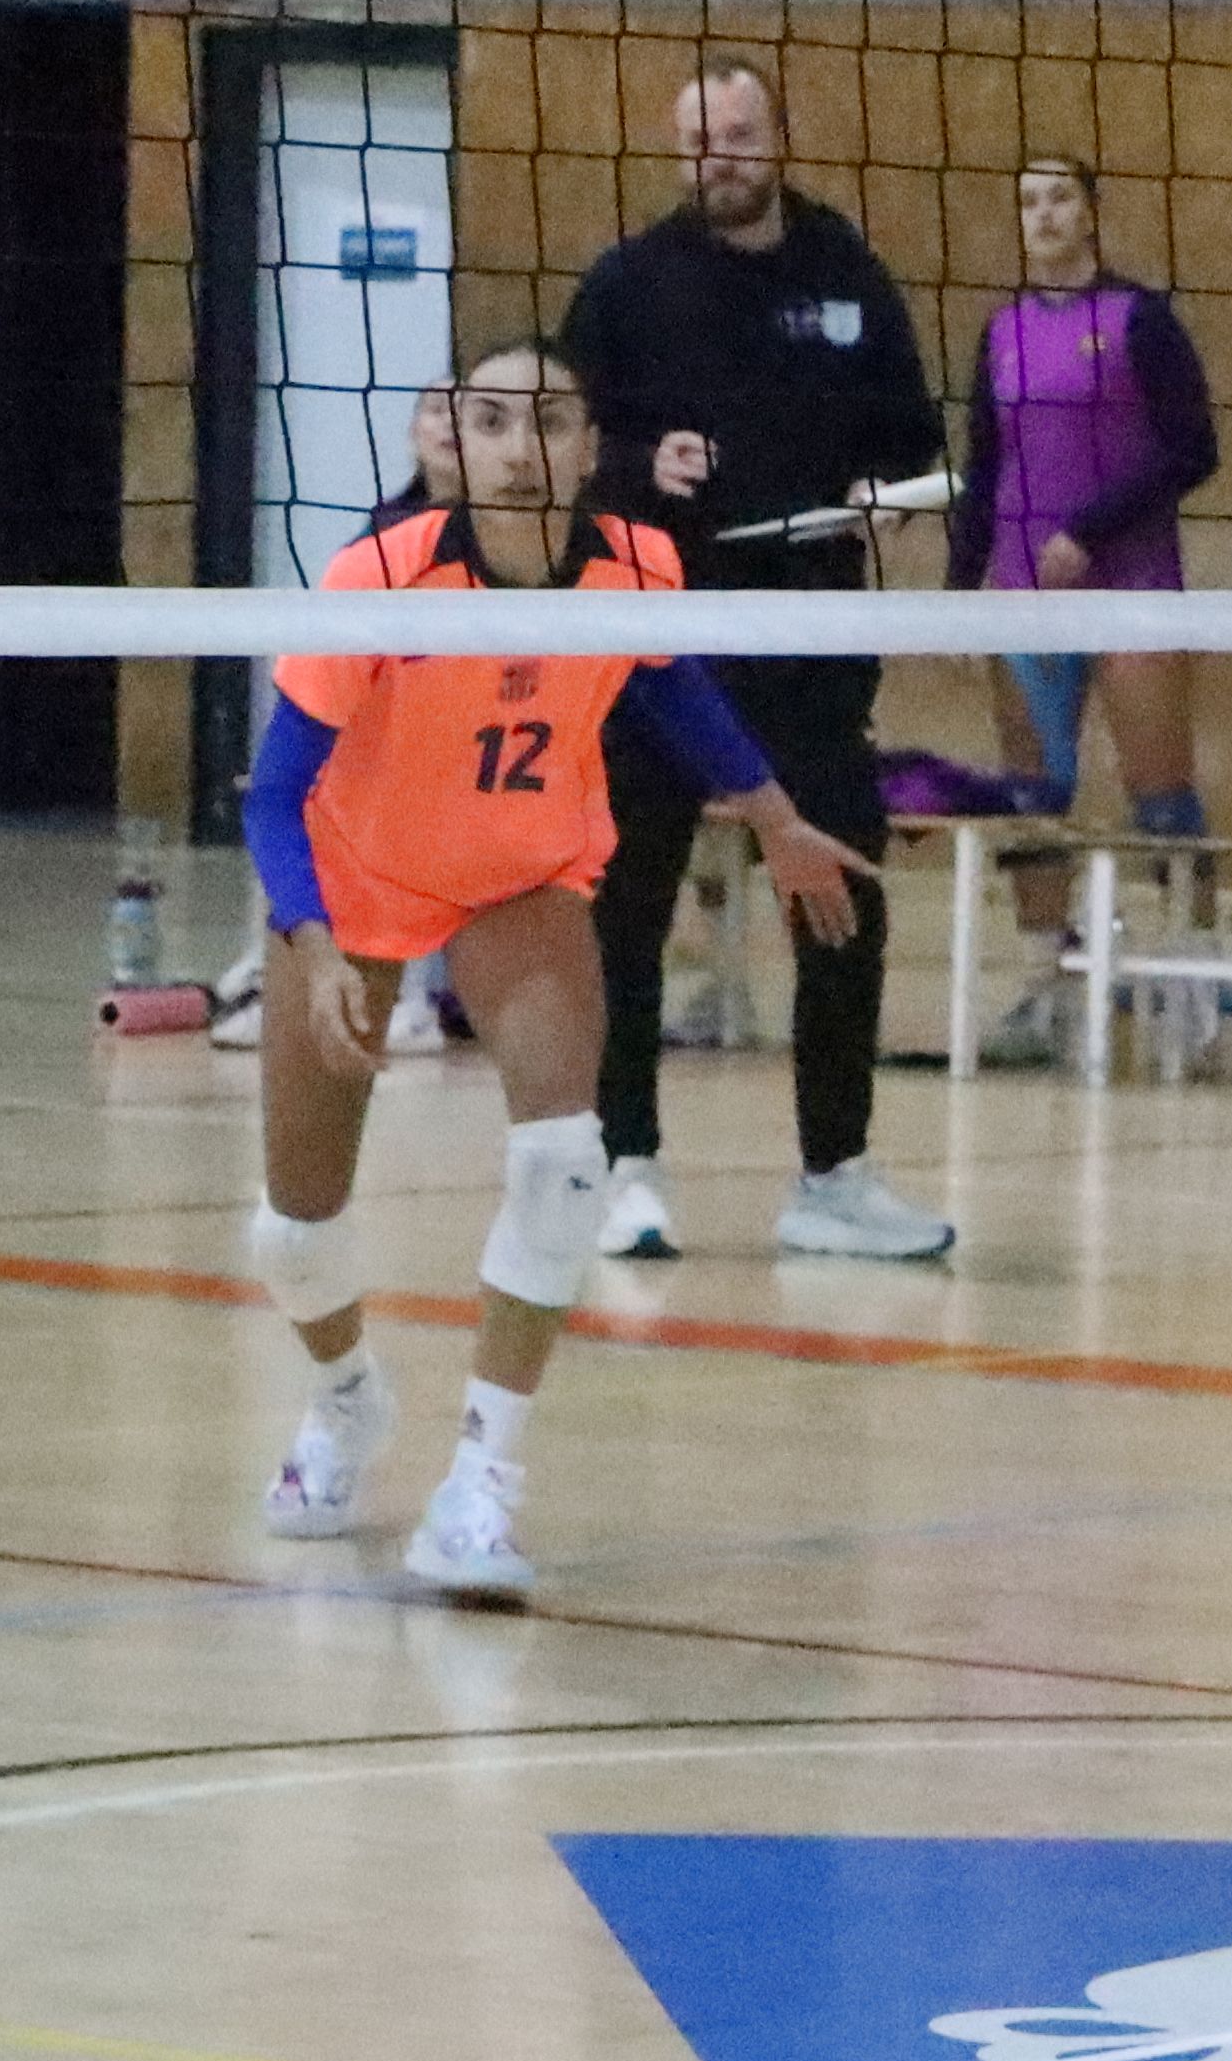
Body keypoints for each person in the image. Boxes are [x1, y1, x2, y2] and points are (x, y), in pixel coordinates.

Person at [240, 343, 867, 1597]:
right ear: (453, 443)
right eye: (491, 420)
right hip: (352, 879)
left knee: (566, 1159)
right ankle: (347, 1396)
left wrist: (776, 815)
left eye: (550, 421)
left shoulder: (636, 563)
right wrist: (310, 944)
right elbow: (271, 792)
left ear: (590, 449)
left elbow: (673, 687)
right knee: (295, 1231)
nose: (521, 446)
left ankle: (479, 1484)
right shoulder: (380, 576)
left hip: (520, 876)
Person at [555, 52, 950, 1264]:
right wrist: (639, 464)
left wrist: (890, 491)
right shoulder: (628, 282)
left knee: (840, 893)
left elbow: (912, 438)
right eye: (696, 139)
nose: (716, 156)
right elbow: (564, 445)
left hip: (808, 635)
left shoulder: (845, 269)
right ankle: (623, 1163)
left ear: (776, 137)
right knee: (628, 906)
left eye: (735, 133)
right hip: (658, 637)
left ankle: (834, 1176)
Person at [950, 151, 1215, 841]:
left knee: (1163, 806)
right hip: (1025, 591)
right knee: (1032, 803)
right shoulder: (1002, 331)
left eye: (1060, 197)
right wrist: (956, 594)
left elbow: (1193, 450)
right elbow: (984, 467)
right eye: (1029, 201)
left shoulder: (1140, 318)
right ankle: (1043, 920)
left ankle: (1186, 910)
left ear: (1091, 214)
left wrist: (1088, 533)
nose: (1044, 214)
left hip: (1133, 587)